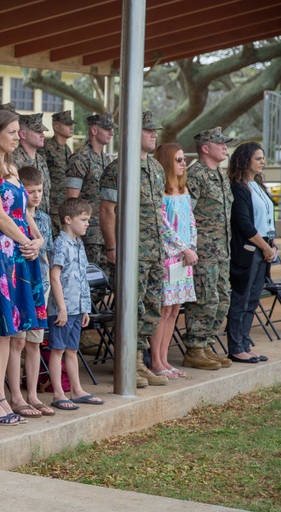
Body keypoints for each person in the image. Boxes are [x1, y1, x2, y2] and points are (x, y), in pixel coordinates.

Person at [0, 109, 46, 426]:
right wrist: (25, 241)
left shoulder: (13, 167)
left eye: (20, 132)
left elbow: (22, 210)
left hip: (19, 251)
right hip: (0, 252)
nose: (18, 137)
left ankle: (3, 395)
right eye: (13, 132)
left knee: (10, 330)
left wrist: (38, 238)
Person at [98, 111, 169, 387]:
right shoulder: (118, 168)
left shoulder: (155, 169)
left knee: (151, 307)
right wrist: (113, 247)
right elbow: (107, 210)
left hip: (154, 251)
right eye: (147, 130)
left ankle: (140, 361)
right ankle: (127, 363)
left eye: (154, 130)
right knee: (131, 307)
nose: (153, 134)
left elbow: (158, 213)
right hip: (131, 253)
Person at [182, 128, 237, 370]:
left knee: (223, 299)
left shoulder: (221, 175)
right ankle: (194, 348)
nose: (225, 147)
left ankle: (206, 344)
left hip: (222, 251)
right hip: (203, 253)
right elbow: (186, 215)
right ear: (205, 148)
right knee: (205, 300)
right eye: (220, 143)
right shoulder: (196, 175)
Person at [7, 166, 55, 418]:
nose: (36, 196)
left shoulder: (44, 219)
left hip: (40, 287)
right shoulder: (12, 217)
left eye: (39, 191)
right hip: (19, 287)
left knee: (34, 343)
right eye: (30, 191)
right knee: (17, 341)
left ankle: (33, 395)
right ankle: (15, 396)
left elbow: (47, 253)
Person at [151, 143, 198, 379]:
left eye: (183, 159)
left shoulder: (184, 190)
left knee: (174, 309)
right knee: (163, 308)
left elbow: (191, 222)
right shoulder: (160, 190)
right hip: (169, 256)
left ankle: (165, 359)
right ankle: (156, 361)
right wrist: (182, 249)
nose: (183, 164)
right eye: (178, 159)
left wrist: (192, 249)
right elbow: (163, 225)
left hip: (184, 258)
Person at [47, 198, 99, 411]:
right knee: (57, 350)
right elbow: (55, 277)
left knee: (71, 349)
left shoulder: (78, 244)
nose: (87, 223)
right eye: (83, 219)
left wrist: (85, 307)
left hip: (77, 307)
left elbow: (82, 277)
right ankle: (58, 392)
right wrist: (62, 307)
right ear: (68, 220)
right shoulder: (61, 244)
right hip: (64, 309)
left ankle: (76, 389)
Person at [226, 142, 274, 364]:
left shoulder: (259, 187)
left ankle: (245, 344)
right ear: (245, 160)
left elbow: (268, 221)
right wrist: (264, 247)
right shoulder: (239, 187)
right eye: (257, 158)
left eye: (263, 158)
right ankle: (236, 348)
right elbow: (244, 224)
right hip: (248, 249)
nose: (262, 161)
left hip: (264, 248)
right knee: (241, 298)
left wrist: (271, 246)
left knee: (253, 299)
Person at [66, 113, 114, 278]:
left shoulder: (106, 160)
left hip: (106, 231)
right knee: (90, 282)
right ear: (94, 130)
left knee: (105, 282)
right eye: (107, 129)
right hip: (89, 233)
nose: (111, 133)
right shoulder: (80, 159)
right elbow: (71, 201)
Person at [13, 113, 52, 217]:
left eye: (42, 132)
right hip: (23, 221)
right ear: (23, 135)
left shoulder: (41, 160)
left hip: (42, 220)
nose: (42, 135)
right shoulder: (13, 160)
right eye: (38, 131)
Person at [45, 110, 75, 227]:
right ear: (56, 127)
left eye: (71, 124)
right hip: (52, 206)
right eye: (67, 124)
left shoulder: (67, 149)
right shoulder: (47, 148)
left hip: (64, 206)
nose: (71, 127)